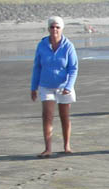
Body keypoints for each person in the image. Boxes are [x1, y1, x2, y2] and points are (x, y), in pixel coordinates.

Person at [30, 16, 78, 157]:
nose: (55, 29)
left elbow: (73, 68)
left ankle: (67, 146)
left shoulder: (68, 46)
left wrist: (69, 86)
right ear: (48, 29)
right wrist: (33, 87)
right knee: (47, 115)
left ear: (62, 29)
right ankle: (48, 148)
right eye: (52, 27)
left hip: (64, 86)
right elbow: (37, 67)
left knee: (64, 116)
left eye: (57, 27)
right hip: (46, 85)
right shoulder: (42, 45)